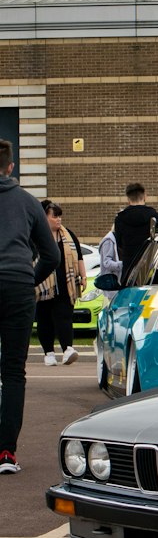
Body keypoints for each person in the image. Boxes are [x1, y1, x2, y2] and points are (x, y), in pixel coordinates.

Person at [0, 141, 60, 474]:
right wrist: (29, 279)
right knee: (12, 371)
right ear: (11, 168)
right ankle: (6, 452)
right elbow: (51, 254)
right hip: (18, 286)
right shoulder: (27, 202)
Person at [35, 200, 87, 366]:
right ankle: (49, 352)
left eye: (60, 216)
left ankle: (68, 349)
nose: (59, 219)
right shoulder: (35, 236)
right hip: (42, 285)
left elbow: (79, 256)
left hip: (66, 283)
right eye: (54, 216)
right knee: (44, 319)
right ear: (45, 217)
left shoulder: (69, 235)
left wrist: (83, 277)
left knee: (64, 317)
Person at [113, 182, 158, 282]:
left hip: (129, 273)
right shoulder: (156, 217)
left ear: (128, 199)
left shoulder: (120, 219)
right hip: (151, 271)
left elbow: (119, 244)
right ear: (145, 196)